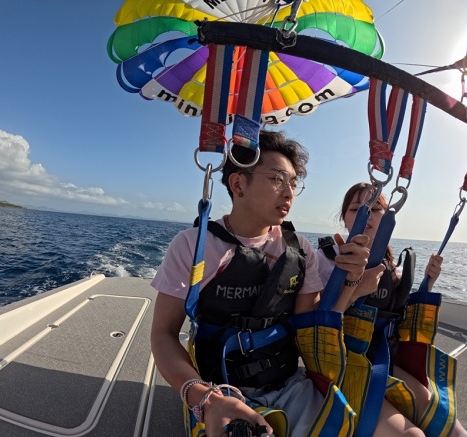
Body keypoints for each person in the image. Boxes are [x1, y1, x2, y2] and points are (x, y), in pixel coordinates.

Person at [150, 130, 372, 437]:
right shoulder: (193, 246)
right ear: (238, 184)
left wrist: (351, 278)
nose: (289, 192)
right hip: (219, 390)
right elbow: (163, 333)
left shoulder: (300, 249)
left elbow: (312, 324)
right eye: (277, 179)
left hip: (292, 386)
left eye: (293, 183)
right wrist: (204, 398)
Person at [317, 182, 467, 437]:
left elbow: (395, 312)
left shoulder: (391, 264)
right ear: (344, 218)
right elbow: (315, 323)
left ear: (386, 216)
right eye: (356, 208)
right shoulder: (327, 259)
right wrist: (355, 289)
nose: (367, 214)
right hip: (344, 361)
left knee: (449, 424)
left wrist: (428, 283)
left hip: (381, 357)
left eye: (375, 208)